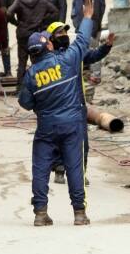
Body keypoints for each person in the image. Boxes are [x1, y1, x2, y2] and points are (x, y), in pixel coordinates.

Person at [18, 0, 95, 227]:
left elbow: (25, 102)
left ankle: (40, 213)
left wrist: (40, 104)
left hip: (47, 127)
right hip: (72, 125)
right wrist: (88, 18)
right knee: (74, 167)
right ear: (48, 46)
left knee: (40, 168)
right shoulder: (68, 61)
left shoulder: (31, 75)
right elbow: (82, 41)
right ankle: (79, 213)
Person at [46, 22, 115, 185]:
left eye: (64, 32)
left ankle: (79, 174)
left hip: (77, 105)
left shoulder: (75, 53)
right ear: (51, 38)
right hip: (57, 106)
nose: (63, 35)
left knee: (82, 142)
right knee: (59, 139)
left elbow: (94, 55)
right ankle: (60, 169)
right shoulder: (47, 58)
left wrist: (107, 46)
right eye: (59, 33)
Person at [7, 0, 58, 82]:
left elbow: (8, 13)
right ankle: (38, 84)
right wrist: (42, 20)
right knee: (37, 61)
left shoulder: (18, 1)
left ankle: (20, 88)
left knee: (22, 61)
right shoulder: (42, 0)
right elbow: (55, 11)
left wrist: (17, 23)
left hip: (23, 34)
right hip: (36, 34)